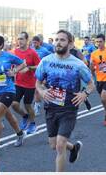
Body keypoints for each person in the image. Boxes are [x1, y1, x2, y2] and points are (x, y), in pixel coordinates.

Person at [35, 29, 95, 172]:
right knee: (53, 144)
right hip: (51, 107)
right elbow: (38, 83)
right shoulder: (46, 61)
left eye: (62, 40)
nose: (58, 43)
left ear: (71, 44)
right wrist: (42, 91)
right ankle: (73, 147)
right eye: (57, 40)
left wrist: (84, 94)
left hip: (69, 107)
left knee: (60, 145)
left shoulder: (78, 64)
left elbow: (91, 83)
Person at [11, 32, 41, 134]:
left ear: (27, 40)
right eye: (18, 39)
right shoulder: (15, 52)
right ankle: (25, 116)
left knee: (28, 105)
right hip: (18, 83)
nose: (19, 41)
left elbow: (39, 66)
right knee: (14, 104)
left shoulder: (32, 53)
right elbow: (11, 64)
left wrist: (29, 68)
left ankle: (32, 124)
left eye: (22, 39)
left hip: (30, 84)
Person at [32, 35, 52, 116]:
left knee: (41, 89)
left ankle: (47, 102)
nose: (34, 44)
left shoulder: (44, 50)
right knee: (36, 90)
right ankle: (37, 106)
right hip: (34, 72)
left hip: (44, 73)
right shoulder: (32, 50)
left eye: (35, 43)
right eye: (33, 43)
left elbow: (51, 58)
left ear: (39, 42)